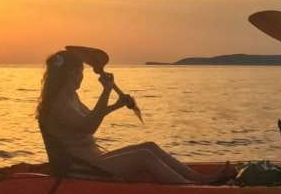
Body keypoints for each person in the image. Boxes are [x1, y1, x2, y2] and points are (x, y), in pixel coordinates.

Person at [36, 50, 235, 184]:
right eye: (81, 71)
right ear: (71, 73)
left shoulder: (71, 96)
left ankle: (200, 180)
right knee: (144, 156)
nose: (82, 76)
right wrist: (106, 91)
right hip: (81, 168)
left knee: (149, 146)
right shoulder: (58, 104)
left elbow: (90, 117)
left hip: (95, 160)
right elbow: (89, 126)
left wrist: (115, 105)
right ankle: (189, 189)